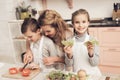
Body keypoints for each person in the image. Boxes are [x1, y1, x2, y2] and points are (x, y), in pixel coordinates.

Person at [64, 9, 102, 76]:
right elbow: (68, 64)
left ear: (88, 23)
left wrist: (91, 53)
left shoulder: (92, 40)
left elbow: (95, 63)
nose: (80, 25)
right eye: (77, 22)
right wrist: (69, 55)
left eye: (84, 22)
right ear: (73, 24)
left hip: (93, 75)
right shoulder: (69, 41)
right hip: (78, 75)